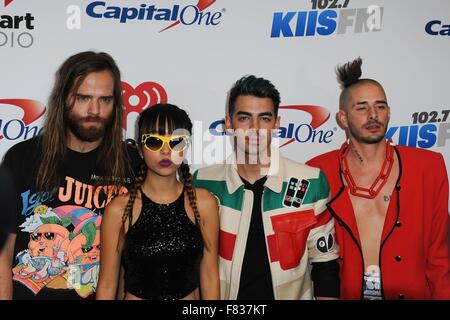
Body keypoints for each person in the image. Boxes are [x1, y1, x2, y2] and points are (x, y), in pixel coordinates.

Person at [307, 57, 450, 300]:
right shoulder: (318, 171)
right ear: (342, 118)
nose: (373, 115)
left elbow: (440, 257)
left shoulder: (428, 167)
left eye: (380, 106)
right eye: (361, 107)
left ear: (389, 112)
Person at [0, 51, 139, 300]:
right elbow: (3, 250)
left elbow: (137, 262)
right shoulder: (22, 158)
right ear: (64, 98)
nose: (94, 110)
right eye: (83, 97)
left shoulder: (132, 164)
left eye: (105, 100)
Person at [193, 75, 340, 300]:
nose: (255, 129)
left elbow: (325, 265)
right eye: (244, 118)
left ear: (277, 123)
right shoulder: (203, 182)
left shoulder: (310, 181)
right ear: (229, 123)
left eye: (264, 118)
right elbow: (191, 265)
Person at [96, 104, 220, 300]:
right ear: (139, 148)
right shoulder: (119, 209)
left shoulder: (204, 203)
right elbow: (107, 285)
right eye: (154, 141)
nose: (165, 151)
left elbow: (210, 277)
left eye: (176, 142)